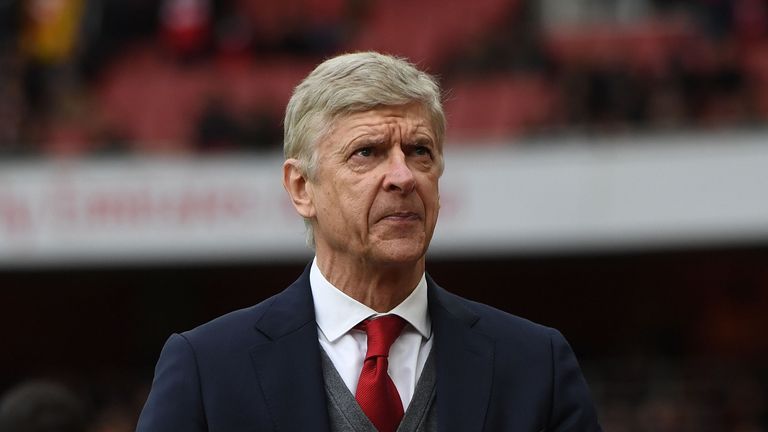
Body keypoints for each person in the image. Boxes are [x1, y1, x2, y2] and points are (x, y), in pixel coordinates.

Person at [136, 51, 602, 432]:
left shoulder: (536, 365)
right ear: (301, 188)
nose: (402, 176)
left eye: (420, 151)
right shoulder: (207, 368)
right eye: (367, 152)